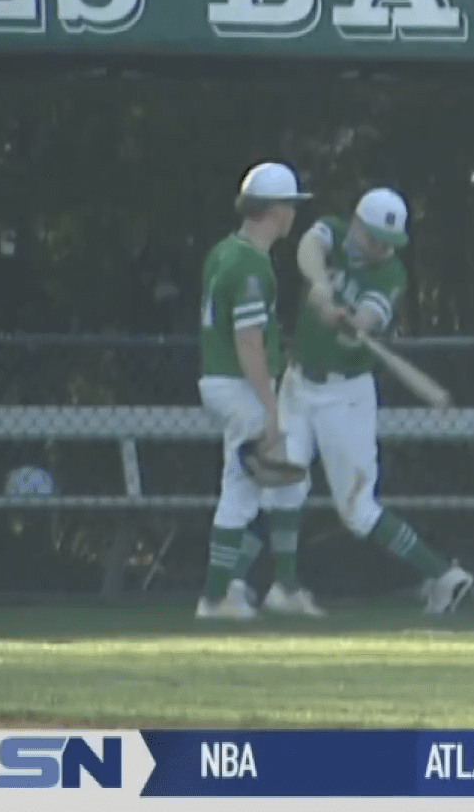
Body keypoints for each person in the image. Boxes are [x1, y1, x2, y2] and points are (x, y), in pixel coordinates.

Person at [270, 188, 473, 616]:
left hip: (346, 395)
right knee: (283, 481)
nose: (380, 248)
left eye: (388, 242)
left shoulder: (391, 274)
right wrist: (322, 284)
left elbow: (364, 322)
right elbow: (309, 246)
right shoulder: (335, 231)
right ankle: (285, 588)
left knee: (358, 510)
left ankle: (442, 575)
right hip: (298, 382)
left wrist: (345, 319)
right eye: (374, 237)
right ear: (357, 224)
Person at [195, 163, 312, 620]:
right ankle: (216, 597)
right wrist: (270, 411)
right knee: (241, 493)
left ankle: (225, 592)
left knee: (247, 489)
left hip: (222, 382)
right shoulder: (251, 267)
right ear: (276, 210)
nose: (294, 214)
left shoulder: (225, 251)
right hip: (240, 386)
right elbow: (249, 344)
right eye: (291, 205)